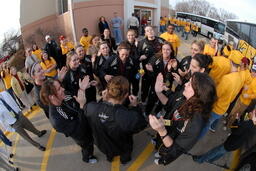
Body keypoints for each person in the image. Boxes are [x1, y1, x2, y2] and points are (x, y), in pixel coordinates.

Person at [150, 72, 216, 165]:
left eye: (189, 85)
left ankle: (161, 158)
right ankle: (158, 147)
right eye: (188, 82)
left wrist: (162, 131)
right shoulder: (186, 97)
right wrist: (158, 92)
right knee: (159, 145)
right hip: (165, 132)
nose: (185, 84)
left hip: (169, 142)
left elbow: (175, 149)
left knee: (163, 153)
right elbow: (169, 102)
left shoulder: (195, 123)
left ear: (198, 93)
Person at [84, 76, 147, 164]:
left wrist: (103, 100)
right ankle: (124, 161)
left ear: (108, 91)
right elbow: (142, 124)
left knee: (109, 154)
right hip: (122, 147)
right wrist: (136, 107)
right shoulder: (128, 116)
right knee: (125, 155)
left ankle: (110, 158)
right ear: (126, 95)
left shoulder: (91, 107)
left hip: (102, 145)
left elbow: (86, 113)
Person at [40, 77, 97, 163]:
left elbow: (76, 98)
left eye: (61, 86)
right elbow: (80, 131)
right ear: (52, 97)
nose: (63, 89)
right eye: (59, 89)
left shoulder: (65, 95)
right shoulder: (57, 120)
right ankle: (87, 158)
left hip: (88, 125)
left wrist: (82, 89)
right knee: (87, 147)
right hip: (82, 136)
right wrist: (82, 106)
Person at [200, 50, 252, 137]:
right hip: (224, 108)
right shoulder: (241, 77)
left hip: (216, 108)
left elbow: (216, 95)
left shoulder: (227, 79)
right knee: (210, 124)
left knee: (205, 125)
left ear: (230, 60)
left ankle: (196, 138)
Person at [137, 25, 165, 103]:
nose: (150, 32)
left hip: (158, 70)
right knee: (145, 87)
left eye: (151, 30)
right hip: (145, 71)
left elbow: (168, 50)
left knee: (155, 86)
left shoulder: (161, 41)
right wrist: (140, 57)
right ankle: (143, 101)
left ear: (154, 31)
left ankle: (154, 100)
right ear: (145, 33)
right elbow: (137, 57)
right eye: (148, 31)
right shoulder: (141, 43)